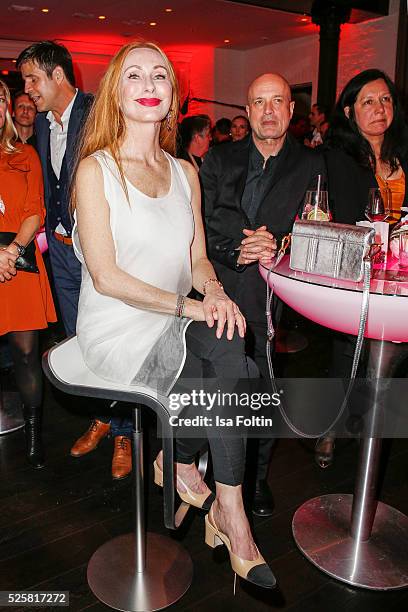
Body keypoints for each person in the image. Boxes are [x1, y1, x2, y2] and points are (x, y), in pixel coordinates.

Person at [70, 40, 275, 590]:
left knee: (234, 350)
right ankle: (188, 471)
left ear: (173, 95)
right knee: (244, 375)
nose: (148, 84)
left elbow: (199, 258)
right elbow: (108, 277)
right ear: (117, 91)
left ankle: (217, 499)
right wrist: (194, 305)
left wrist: (215, 292)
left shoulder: (186, 171)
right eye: (134, 75)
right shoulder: (97, 169)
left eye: (159, 75)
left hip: (174, 319)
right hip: (118, 326)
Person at [201, 73, 325, 516]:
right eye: (259, 102)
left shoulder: (312, 164)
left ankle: (253, 479)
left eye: (278, 102)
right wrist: (240, 247)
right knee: (217, 388)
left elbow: (319, 226)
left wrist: (278, 244)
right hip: (219, 286)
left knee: (264, 387)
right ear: (247, 110)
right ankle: (216, 472)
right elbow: (205, 218)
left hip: (273, 297)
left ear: (291, 112)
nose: (269, 110)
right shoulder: (218, 158)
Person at [17, 41, 133, 478]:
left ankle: (123, 428)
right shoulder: (45, 125)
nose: (27, 90)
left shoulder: (100, 112)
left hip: (99, 253)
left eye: (33, 79)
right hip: (62, 255)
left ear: (58, 76)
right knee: (81, 340)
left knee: (111, 338)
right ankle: (101, 417)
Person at [315, 68, 408, 467]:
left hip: (402, 269)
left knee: (391, 353)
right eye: (368, 101)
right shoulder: (338, 158)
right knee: (349, 352)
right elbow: (343, 217)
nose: (379, 108)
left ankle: (374, 421)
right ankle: (331, 426)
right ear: (351, 112)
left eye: (385, 99)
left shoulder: (404, 153)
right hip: (359, 268)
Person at [0, 79, 57, 468]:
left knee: (26, 355)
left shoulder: (25, 154)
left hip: (16, 258)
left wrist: (12, 249)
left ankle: (34, 434)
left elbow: (36, 208)